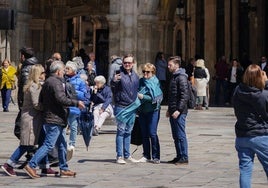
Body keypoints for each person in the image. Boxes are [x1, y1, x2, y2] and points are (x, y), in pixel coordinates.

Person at [23, 60, 85, 178]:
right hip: (54, 118)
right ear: (58, 72)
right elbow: (61, 99)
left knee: (62, 145)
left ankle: (64, 168)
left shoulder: (48, 82)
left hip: (54, 117)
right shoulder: (55, 82)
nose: (63, 73)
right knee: (49, 145)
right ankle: (31, 165)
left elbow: (43, 99)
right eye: (62, 71)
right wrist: (76, 103)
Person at [1, 64, 57, 177]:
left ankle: (45, 167)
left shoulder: (36, 85)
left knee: (43, 143)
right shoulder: (34, 87)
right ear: (37, 74)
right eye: (42, 73)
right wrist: (49, 107)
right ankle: (9, 164)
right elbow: (37, 105)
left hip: (37, 120)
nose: (44, 75)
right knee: (26, 144)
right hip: (31, 120)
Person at [232, 64, 268, 188]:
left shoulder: (238, 91)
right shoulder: (262, 95)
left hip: (242, 135)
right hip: (260, 135)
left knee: (245, 170)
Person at [110, 54, 139, 164]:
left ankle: (127, 155)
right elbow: (112, 86)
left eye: (129, 63)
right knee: (121, 131)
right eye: (125, 62)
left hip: (132, 107)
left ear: (133, 63)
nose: (127, 64)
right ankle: (120, 156)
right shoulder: (119, 74)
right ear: (122, 63)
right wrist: (114, 81)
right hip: (121, 106)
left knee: (128, 131)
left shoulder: (135, 75)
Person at [137, 63, 163, 164]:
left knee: (152, 133)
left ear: (153, 72)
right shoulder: (141, 82)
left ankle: (156, 156)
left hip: (153, 110)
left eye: (148, 72)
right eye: (144, 72)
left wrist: (143, 97)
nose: (145, 74)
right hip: (142, 110)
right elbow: (137, 92)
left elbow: (155, 98)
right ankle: (146, 155)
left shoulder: (156, 82)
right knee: (144, 134)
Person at [166, 56, 189, 165]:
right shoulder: (174, 77)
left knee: (180, 134)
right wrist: (169, 109)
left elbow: (184, 96)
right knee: (175, 135)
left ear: (177, 65)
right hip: (173, 110)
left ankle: (184, 157)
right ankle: (179, 155)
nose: (168, 66)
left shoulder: (181, 77)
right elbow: (172, 96)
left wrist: (178, 110)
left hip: (179, 112)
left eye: (170, 65)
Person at [65, 60, 89, 149]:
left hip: (74, 106)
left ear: (74, 70)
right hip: (64, 105)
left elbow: (84, 95)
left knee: (73, 126)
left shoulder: (80, 81)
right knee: (63, 127)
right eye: (65, 68)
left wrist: (72, 91)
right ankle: (64, 143)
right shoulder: (64, 79)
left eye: (68, 68)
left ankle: (72, 143)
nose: (66, 70)